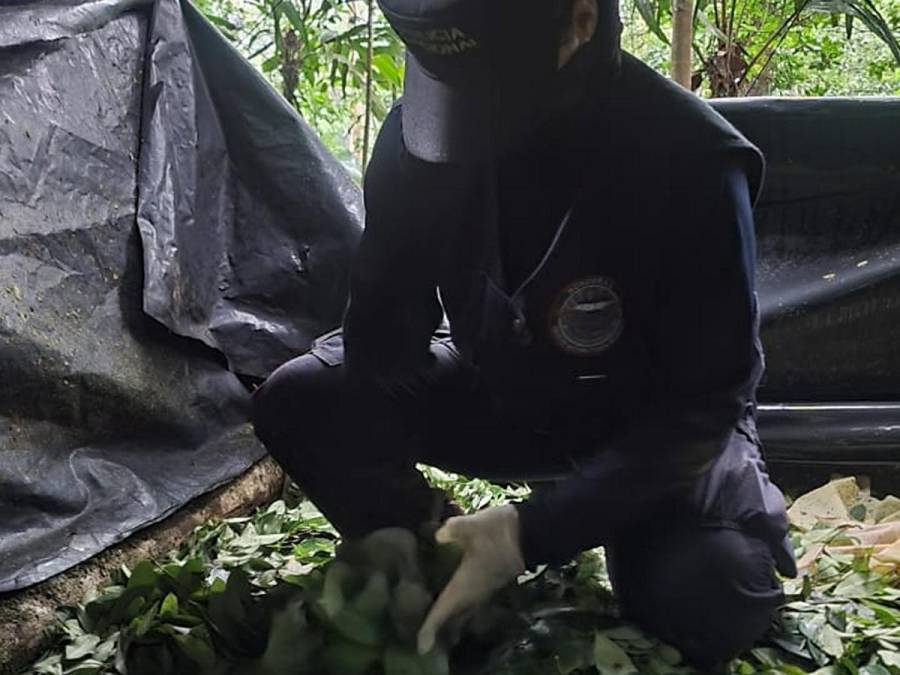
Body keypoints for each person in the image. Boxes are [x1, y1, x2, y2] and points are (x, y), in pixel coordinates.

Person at [252, 0, 797, 667]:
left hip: (652, 432)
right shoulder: (427, 136)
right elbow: (382, 347)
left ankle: (611, 531)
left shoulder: (690, 162)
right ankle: (441, 554)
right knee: (300, 399)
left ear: (580, 19)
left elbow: (704, 407)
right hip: (505, 389)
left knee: (710, 589)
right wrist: (385, 515)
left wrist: (528, 533)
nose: (479, 126)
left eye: (496, 86)